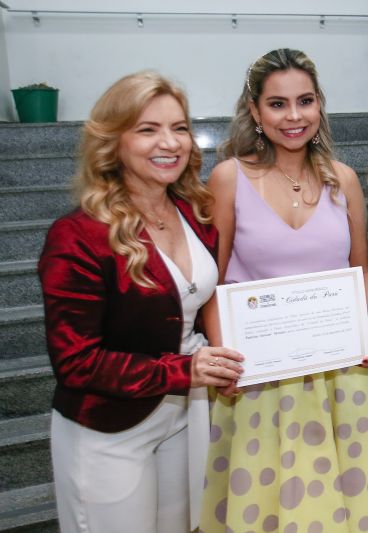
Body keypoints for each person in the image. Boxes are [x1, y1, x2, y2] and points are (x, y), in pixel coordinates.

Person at [199, 48, 368, 532]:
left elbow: (362, 271)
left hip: (345, 376)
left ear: (319, 105)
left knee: (353, 507)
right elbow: (214, 280)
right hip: (260, 380)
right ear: (254, 110)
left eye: (305, 101)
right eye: (277, 104)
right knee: (270, 506)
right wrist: (222, 355)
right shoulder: (229, 178)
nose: (293, 116)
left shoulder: (344, 180)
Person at [38, 71, 244, 533]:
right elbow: (76, 361)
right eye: (147, 129)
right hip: (109, 426)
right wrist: (183, 370)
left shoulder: (195, 212)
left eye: (179, 128)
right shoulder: (77, 236)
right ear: (114, 142)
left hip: (184, 413)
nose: (169, 142)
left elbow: (203, 308)